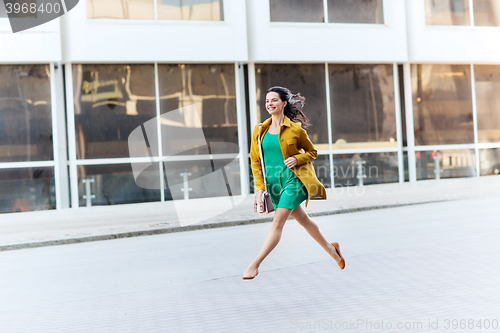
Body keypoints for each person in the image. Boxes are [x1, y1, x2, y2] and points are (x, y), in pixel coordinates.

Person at [242, 86, 345, 279]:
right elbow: (255, 162)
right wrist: (259, 189)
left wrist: (298, 159)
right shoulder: (259, 131)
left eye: (273, 100)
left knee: (277, 222)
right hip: (274, 183)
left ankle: (255, 264)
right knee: (304, 220)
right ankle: (332, 250)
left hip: (294, 180)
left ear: (284, 103)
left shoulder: (296, 130)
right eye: (266, 101)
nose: (269, 104)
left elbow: (312, 152)